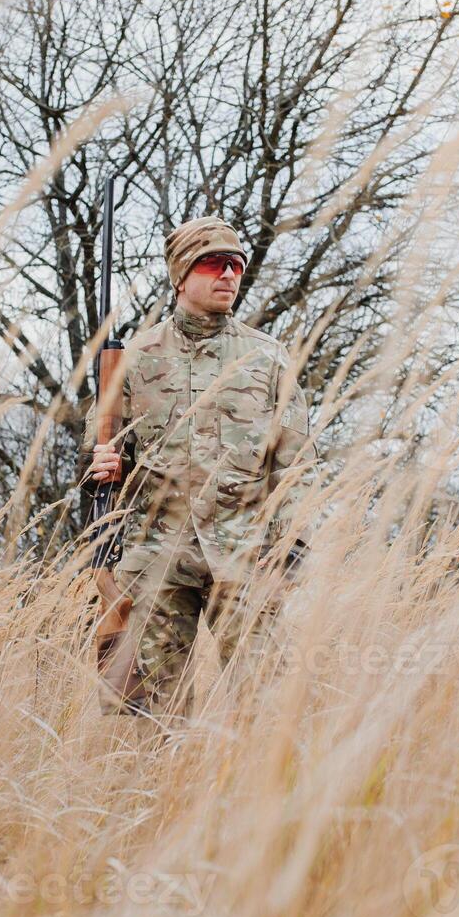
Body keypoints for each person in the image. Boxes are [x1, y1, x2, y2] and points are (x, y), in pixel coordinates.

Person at [82, 215, 320, 717]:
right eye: (215, 263)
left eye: (236, 264)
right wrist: (100, 461)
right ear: (182, 275)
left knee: (264, 708)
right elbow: (97, 457)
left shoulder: (268, 360)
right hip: (155, 564)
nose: (229, 274)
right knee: (156, 719)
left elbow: (297, 468)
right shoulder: (135, 358)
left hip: (246, 557)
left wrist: (291, 554)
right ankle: (161, 795)